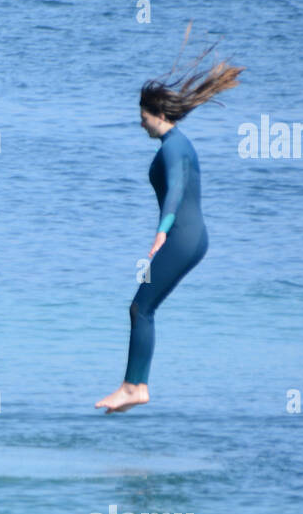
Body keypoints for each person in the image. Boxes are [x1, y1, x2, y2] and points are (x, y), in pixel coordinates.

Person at [95, 37, 243, 413]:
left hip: (180, 238)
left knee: (139, 308)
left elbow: (175, 189)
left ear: (157, 113)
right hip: (191, 239)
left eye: (142, 114)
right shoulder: (180, 143)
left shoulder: (173, 149)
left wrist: (163, 230)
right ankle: (136, 385)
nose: (139, 120)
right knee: (142, 308)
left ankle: (133, 387)